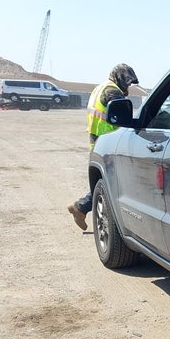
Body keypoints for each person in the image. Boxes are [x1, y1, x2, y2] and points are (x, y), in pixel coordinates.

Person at [67, 63, 139, 230]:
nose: (128, 86)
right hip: (110, 141)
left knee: (107, 180)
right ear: (119, 77)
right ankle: (81, 207)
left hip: (100, 140)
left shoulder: (101, 87)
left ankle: (80, 208)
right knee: (113, 182)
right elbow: (124, 116)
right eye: (127, 82)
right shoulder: (112, 92)